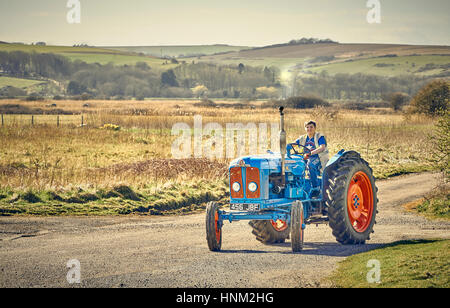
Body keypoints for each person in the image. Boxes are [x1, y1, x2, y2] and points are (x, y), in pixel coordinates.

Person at [295, 120, 329, 192]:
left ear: (315, 128)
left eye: (311, 127)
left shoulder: (319, 137)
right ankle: (299, 185)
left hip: (318, 157)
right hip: (305, 157)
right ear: (305, 128)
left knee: (310, 164)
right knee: (295, 164)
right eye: (307, 127)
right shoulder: (303, 138)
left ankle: (315, 187)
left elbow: (322, 147)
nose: (309, 129)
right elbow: (293, 144)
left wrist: (311, 153)